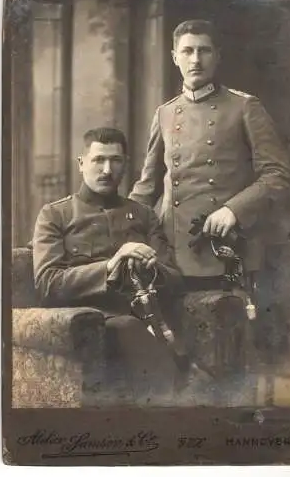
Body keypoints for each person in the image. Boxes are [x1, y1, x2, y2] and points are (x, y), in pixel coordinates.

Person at [129, 19, 290, 402]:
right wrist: (127, 234)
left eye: (204, 50)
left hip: (224, 254)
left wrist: (234, 210)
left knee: (223, 364)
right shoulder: (166, 114)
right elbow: (146, 186)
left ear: (217, 56)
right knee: (168, 356)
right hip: (170, 255)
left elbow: (278, 175)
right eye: (187, 51)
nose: (195, 59)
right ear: (174, 58)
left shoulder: (244, 106)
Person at [32, 127, 185, 404]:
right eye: (98, 160)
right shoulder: (55, 215)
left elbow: (174, 279)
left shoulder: (143, 215)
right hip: (92, 320)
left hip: (149, 317)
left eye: (115, 160)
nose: (107, 169)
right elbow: (48, 284)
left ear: (125, 165)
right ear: (81, 164)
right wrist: (111, 265)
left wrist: (152, 267)